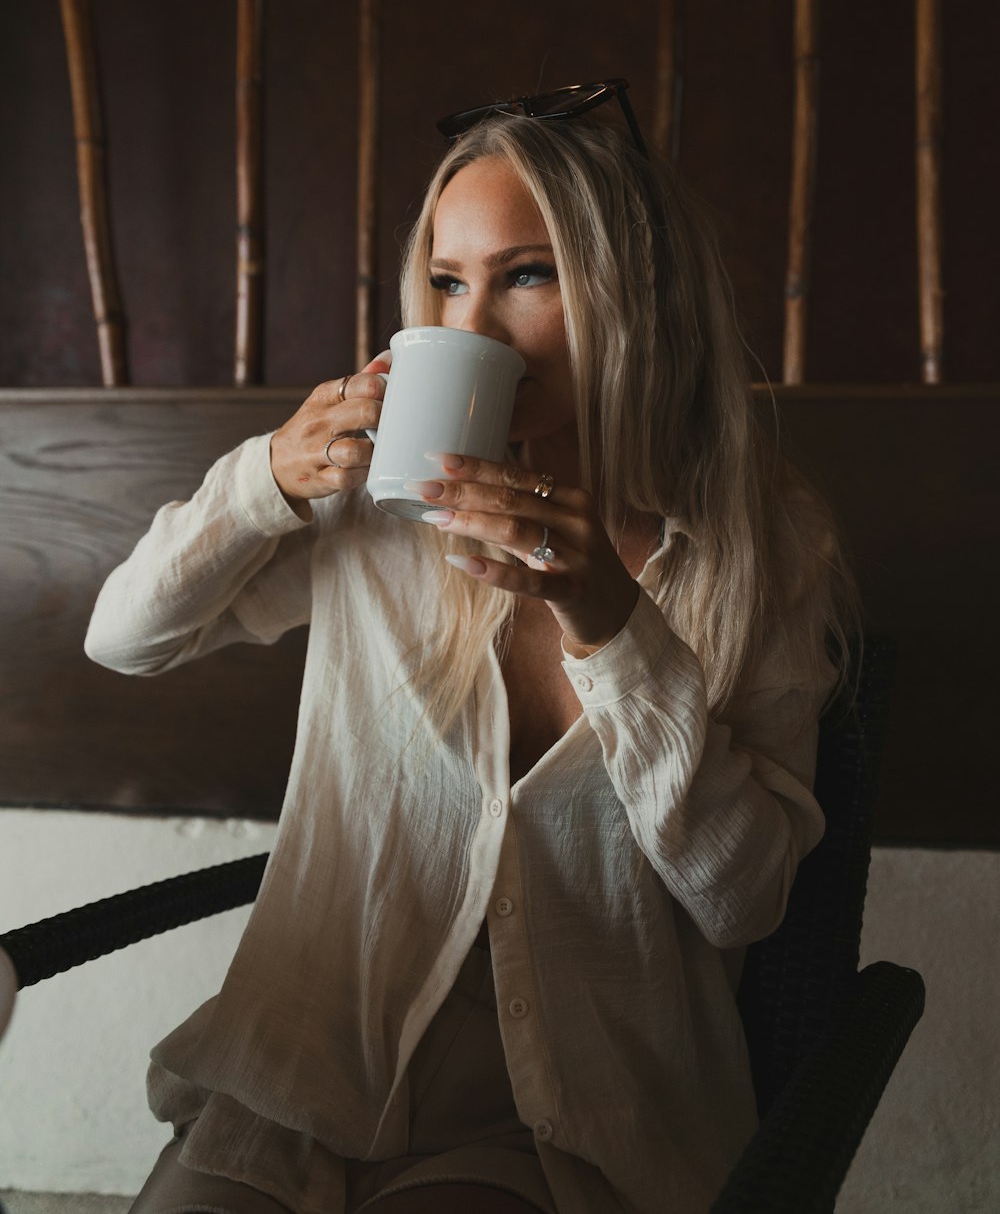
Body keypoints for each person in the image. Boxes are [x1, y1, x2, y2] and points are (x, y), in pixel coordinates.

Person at [86, 79, 860, 1214]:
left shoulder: (758, 542)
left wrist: (613, 628)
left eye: (526, 276)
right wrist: (264, 483)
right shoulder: (378, 502)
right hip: (311, 1074)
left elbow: (741, 900)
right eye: (447, 282)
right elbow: (124, 639)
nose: (471, 328)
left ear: (632, 293)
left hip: (570, 1120)